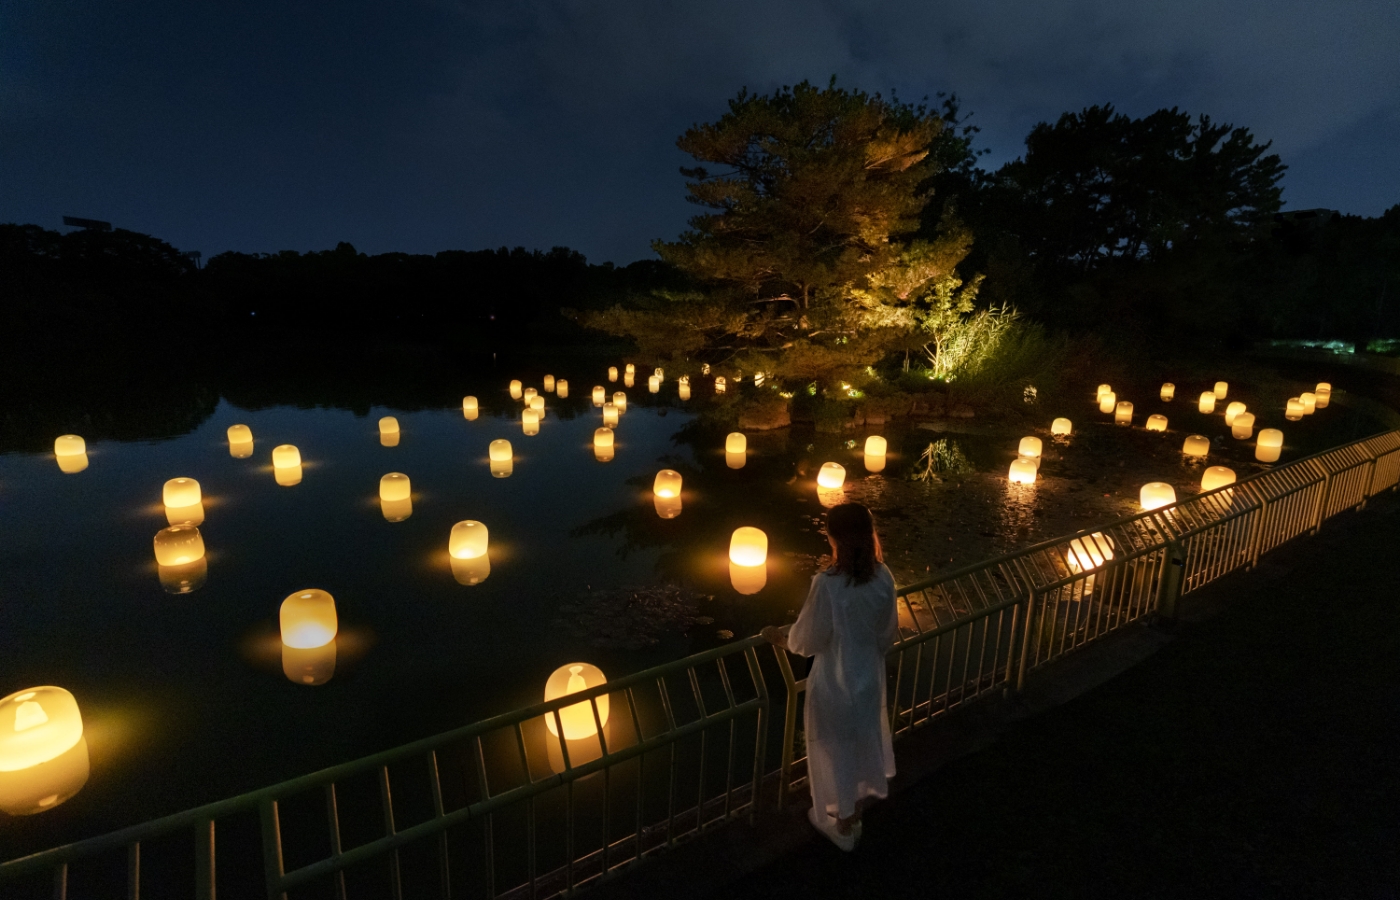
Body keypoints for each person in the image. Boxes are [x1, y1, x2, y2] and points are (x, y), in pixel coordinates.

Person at [762, 502, 898, 851]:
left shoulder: (828, 585)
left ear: (831, 537)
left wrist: (782, 639)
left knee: (834, 749)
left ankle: (844, 826)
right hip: (868, 676)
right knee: (859, 742)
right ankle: (852, 814)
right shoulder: (884, 577)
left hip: (834, 682)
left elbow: (808, 639)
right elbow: (887, 635)